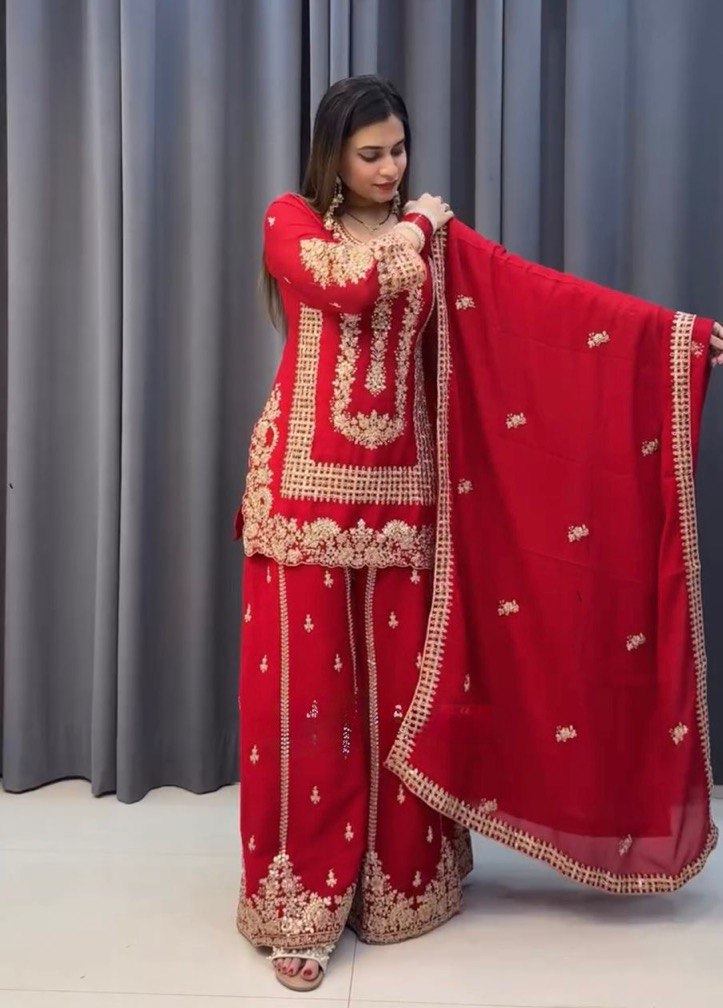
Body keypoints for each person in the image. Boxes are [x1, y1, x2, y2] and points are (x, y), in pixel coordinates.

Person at [233, 74, 723, 993]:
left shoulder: (433, 242)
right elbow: (346, 287)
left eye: (398, 150)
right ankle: (303, 906)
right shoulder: (292, 222)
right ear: (332, 156)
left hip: (405, 501)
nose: (390, 169)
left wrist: (665, 339)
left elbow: (533, 305)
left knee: (400, 704)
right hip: (301, 501)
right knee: (308, 711)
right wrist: (419, 227)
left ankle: (398, 885)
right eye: (370, 154)